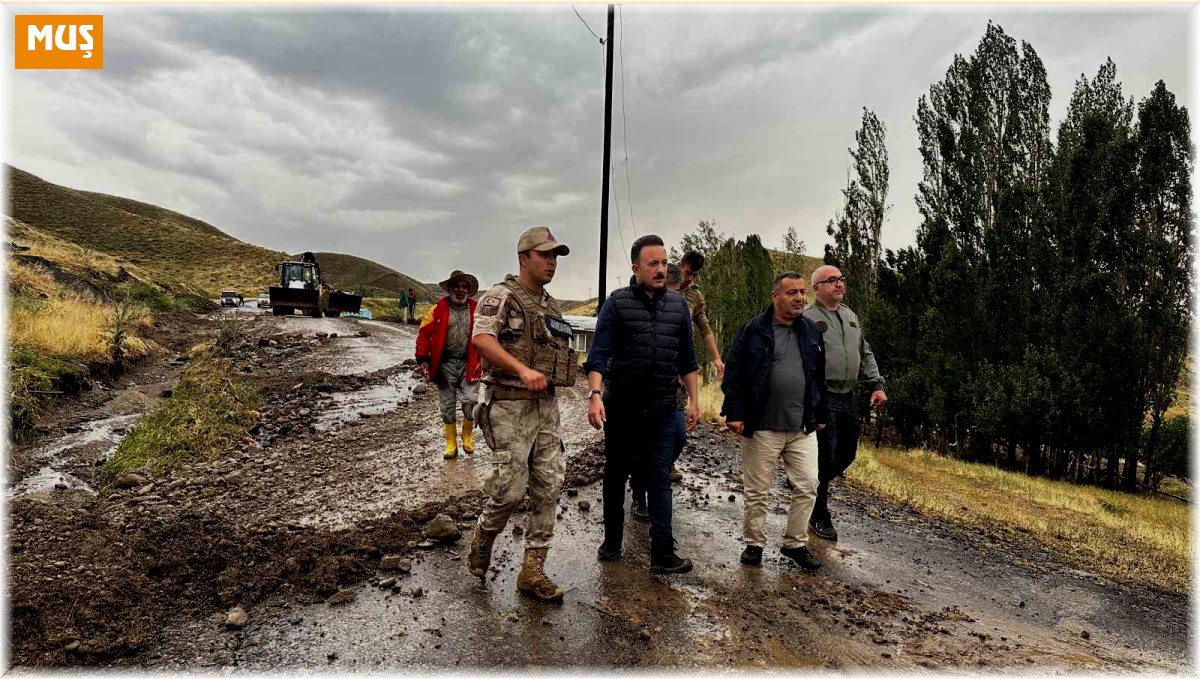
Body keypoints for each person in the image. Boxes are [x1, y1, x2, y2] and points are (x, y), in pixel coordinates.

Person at [466, 226, 575, 603]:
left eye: (555, 256)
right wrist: (521, 370)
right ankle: (484, 536)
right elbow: (481, 340)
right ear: (523, 258)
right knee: (510, 490)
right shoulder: (501, 296)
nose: (551, 262)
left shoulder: (552, 306)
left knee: (549, 485)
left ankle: (532, 571)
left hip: (546, 407)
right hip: (509, 405)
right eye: (545, 255)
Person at [585, 235, 700, 574]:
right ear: (636, 268)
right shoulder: (617, 303)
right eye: (653, 264)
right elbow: (598, 356)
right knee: (616, 474)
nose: (661, 269)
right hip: (621, 407)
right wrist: (594, 396)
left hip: (664, 407)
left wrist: (693, 400)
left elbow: (688, 361)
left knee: (660, 478)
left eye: (664, 263)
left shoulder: (679, 306)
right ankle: (612, 541)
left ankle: (663, 553)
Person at [721, 272, 828, 569]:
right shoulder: (753, 330)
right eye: (791, 292)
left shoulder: (811, 332)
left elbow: (819, 377)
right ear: (775, 296)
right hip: (762, 426)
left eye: (802, 292)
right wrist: (735, 411)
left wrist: (820, 414)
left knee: (808, 485)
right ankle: (754, 544)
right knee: (758, 490)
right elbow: (734, 374)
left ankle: (795, 543)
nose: (798, 298)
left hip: (801, 427)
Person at [801, 265, 887, 541]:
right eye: (832, 280)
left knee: (847, 454)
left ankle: (809, 483)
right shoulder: (807, 319)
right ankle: (818, 515)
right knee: (825, 454)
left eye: (841, 280)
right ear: (816, 288)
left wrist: (875, 383)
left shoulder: (850, 316)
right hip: (821, 395)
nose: (839, 284)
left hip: (847, 395)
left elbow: (865, 350)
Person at [628, 264, 689, 523]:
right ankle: (640, 494)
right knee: (641, 445)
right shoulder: (630, 306)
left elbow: (688, 351)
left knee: (678, 436)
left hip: (673, 390)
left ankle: (657, 472)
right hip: (641, 391)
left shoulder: (679, 307)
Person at [416, 270, 482, 459]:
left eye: (464, 287)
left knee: (470, 400)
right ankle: (451, 444)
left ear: (468, 290)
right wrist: (422, 358)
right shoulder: (438, 308)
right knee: (447, 404)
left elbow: (487, 332)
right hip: (445, 364)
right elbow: (423, 334)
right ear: (450, 289)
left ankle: (467, 437)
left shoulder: (477, 309)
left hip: (471, 363)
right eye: (457, 286)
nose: (460, 290)